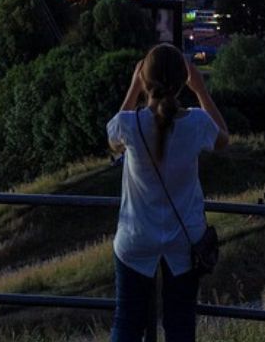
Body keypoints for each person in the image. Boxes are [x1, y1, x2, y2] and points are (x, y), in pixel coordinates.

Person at [108, 44, 230, 342]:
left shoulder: (129, 124)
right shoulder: (197, 123)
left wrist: (134, 88)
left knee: (127, 323)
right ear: (181, 82)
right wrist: (201, 90)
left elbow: (113, 140)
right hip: (184, 241)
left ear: (144, 80)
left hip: (136, 237)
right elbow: (223, 139)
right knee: (180, 326)